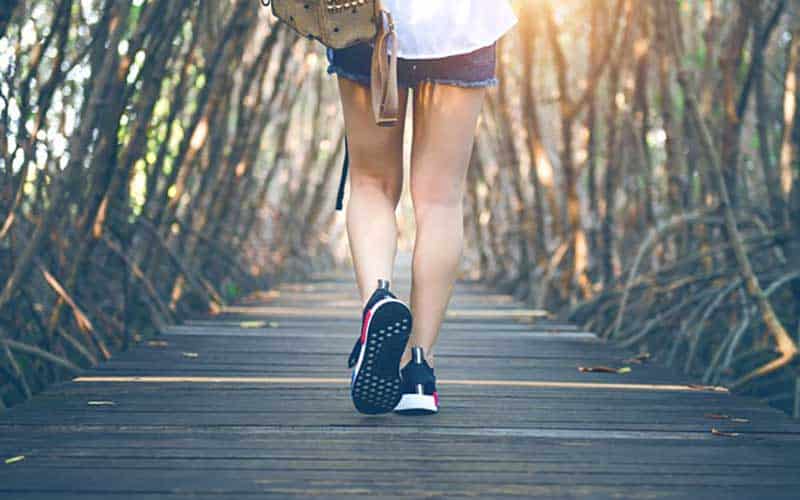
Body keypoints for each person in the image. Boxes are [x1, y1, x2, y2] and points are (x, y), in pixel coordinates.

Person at [326, 0, 518, 415]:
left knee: (372, 183)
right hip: (464, 24)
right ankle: (419, 371)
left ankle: (377, 303)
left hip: (365, 19)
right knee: (440, 200)